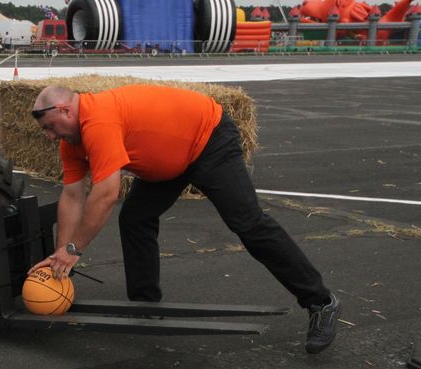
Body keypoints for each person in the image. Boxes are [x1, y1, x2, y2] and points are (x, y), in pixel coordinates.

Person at [28, 84, 340, 354]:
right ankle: (145, 307)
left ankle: (320, 302)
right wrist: (61, 254)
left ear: (66, 110)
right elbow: (72, 196)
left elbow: (106, 193)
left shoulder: (98, 120)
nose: (50, 136)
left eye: (51, 127)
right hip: (168, 160)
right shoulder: (71, 141)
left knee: (248, 223)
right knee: (135, 218)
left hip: (208, 141)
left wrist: (73, 250)